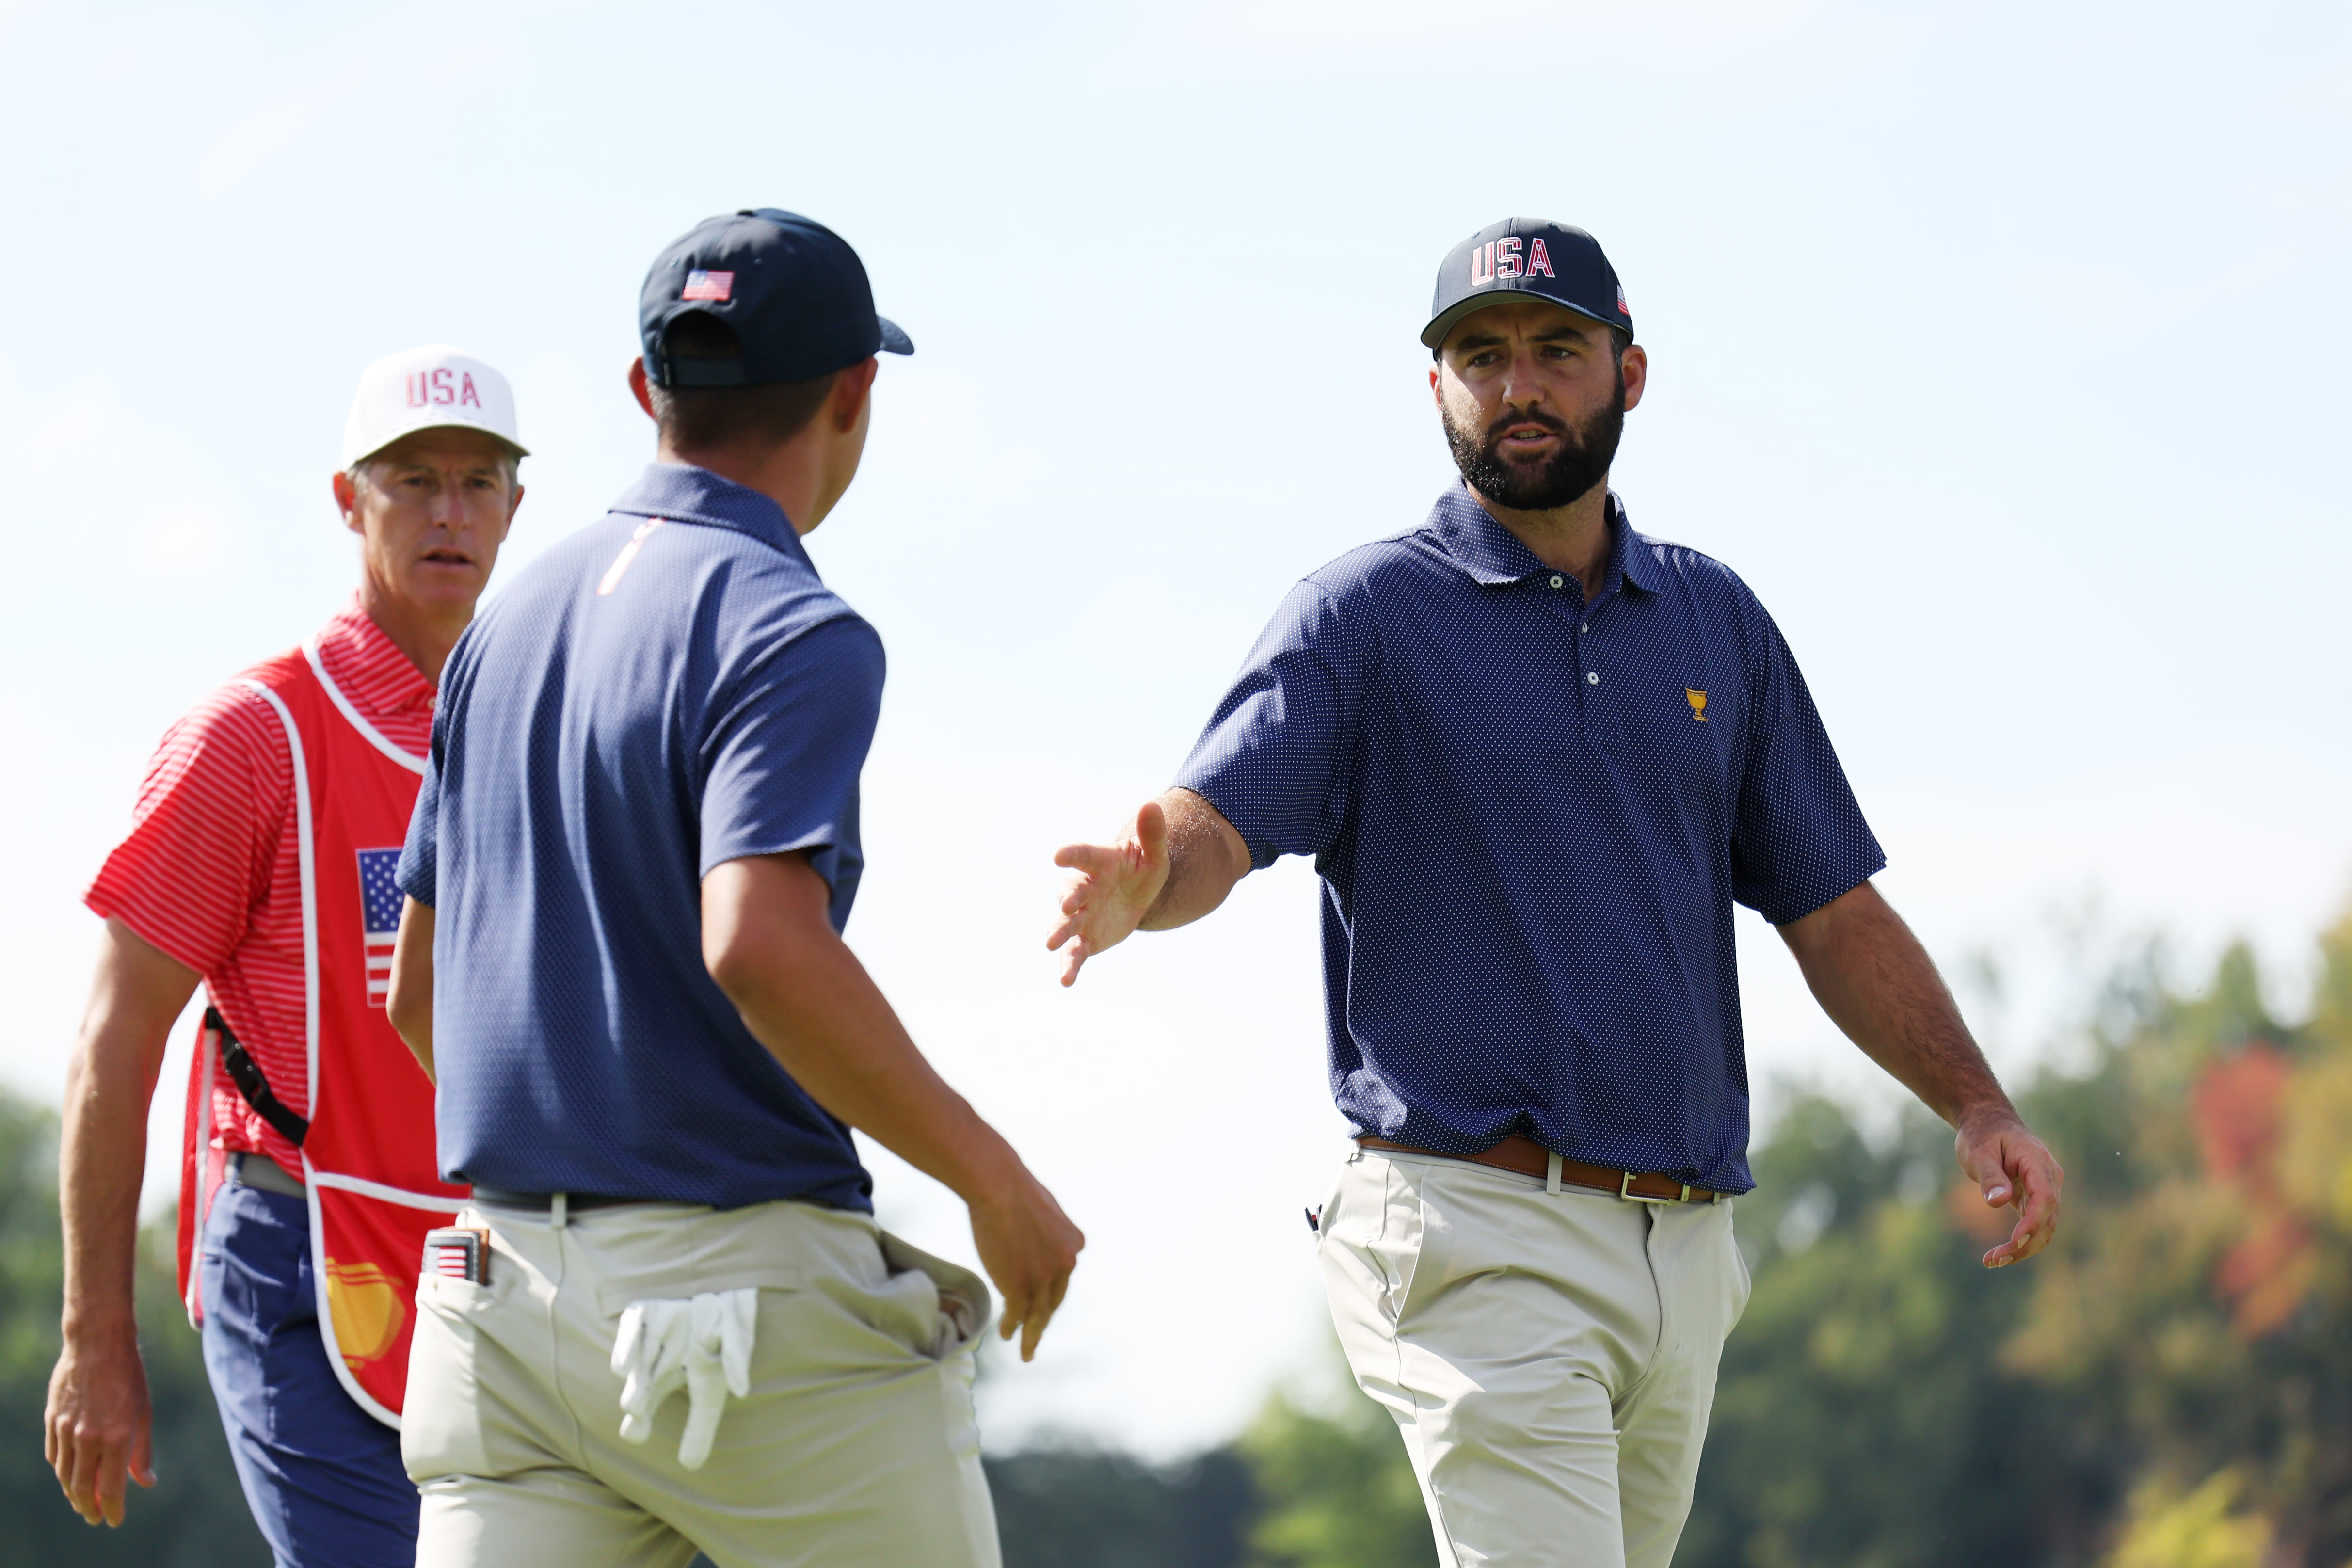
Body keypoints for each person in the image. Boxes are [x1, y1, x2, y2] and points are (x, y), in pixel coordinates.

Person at [1048, 218, 2065, 1568]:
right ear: (1436, 390)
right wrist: (1147, 878)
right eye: (1480, 357)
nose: (1516, 386)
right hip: (1475, 1231)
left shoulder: (1717, 625)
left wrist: (1976, 1101)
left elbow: (1832, 907)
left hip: (1685, 1253)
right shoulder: (1359, 619)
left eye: (1553, 352)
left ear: (1626, 376)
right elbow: (1215, 825)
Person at [386, 208, 1083, 1568]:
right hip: (737, 1317)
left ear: (648, 392)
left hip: (496, 1302)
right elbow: (758, 945)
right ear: (853, 392)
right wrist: (994, 1183)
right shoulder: (789, 622)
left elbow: (420, 994)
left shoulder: (502, 626)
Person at [45, 346, 528, 1563]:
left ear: (518, 506)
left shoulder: (540, 729)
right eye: (412, 479)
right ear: (346, 500)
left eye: (479, 482)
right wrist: (95, 1335)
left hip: (497, 1267)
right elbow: (117, 1038)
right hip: (299, 1260)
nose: (448, 513)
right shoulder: (255, 736)